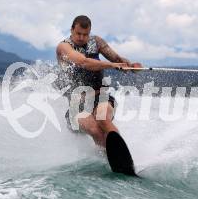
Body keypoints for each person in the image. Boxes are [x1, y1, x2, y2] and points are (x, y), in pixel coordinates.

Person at [56, 15, 142, 147]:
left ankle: (121, 156)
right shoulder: (64, 47)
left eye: (85, 34)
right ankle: (106, 157)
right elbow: (83, 62)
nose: (81, 38)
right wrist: (112, 66)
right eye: (78, 33)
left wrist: (131, 67)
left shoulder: (96, 42)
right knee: (95, 129)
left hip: (100, 97)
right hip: (77, 105)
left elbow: (118, 60)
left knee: (103, 120)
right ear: (71, 30)